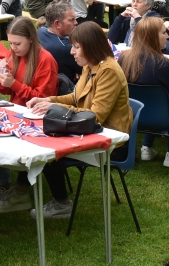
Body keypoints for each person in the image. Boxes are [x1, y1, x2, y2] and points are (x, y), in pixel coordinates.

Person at [25, 22, 132, 219]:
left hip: (109, 137)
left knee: (48, 150)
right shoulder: (90, 65)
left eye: (76, 46)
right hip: (89, 129)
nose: (72, 52)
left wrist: (55, 107)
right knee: (40, 140)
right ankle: (20, 192)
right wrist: (49, 100)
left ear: (90, 46)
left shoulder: (108, 70)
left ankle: (62, 203)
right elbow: (76, 99)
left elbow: (95, 116)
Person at [0, 17, 59, 212]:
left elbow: (41, 100)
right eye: (10, 43)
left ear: (31, 40)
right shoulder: (15, 54)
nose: (13, 48)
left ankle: (19, 193)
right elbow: (6, 90)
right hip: (19, 113)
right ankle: (6, 186)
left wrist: (13, 84)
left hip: (38, 117)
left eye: (17, 43)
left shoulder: (45, 60)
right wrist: (3, 78)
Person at [120, 17, 169, 168]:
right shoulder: (163, 65)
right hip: (162, 120)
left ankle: (146, 148)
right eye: (164, 32)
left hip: (131, 116)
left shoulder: (124, 58)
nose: (168, 36)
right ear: (152, 36)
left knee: (152, 102)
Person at [37, 0, 82, 83]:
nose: (76, 22)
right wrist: (80, 71)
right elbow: (89, 67)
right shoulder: (65, 48)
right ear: (57, 24)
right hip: (70, 90)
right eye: (71, 20)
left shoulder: (41, 31)